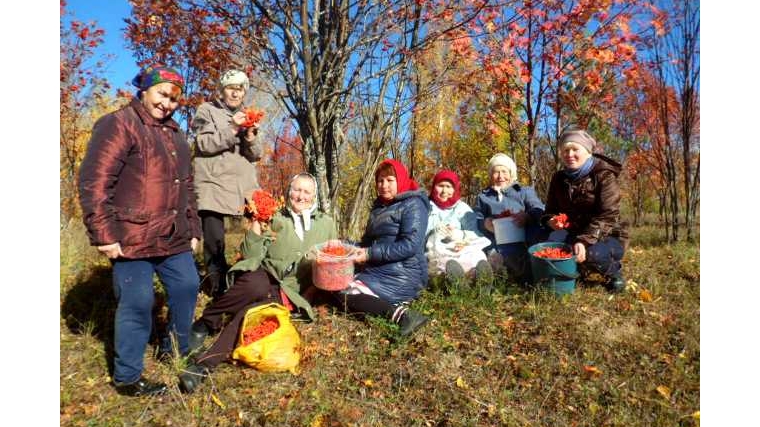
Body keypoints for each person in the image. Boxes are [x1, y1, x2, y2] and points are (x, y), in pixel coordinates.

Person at [78, 65, 201, 397]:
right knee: (137, 300)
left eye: (174, 99)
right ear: (144, 90)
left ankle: (175, 348)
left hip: (173, 233)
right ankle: (128, 377)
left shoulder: (176, 134)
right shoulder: (118, 124)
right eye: (162, 94)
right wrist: (104, 233)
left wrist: (194, 229)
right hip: (131, 234)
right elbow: (96, 182)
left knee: (188, 285)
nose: (167, 104)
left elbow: (187, 187)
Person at [178, 173, 337, 394]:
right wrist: (256, 223)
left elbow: (330, 262)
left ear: (315, 196)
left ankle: (202, 366)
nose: (301, 196)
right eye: (296, 190)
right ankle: (206, 322)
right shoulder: (275, 217)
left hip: (291, 293)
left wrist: (311, 292)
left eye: (307, 191)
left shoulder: (326, 224)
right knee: (256, 284)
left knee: (248, 314)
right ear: (289, 192)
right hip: (265, 276)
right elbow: (250, 255)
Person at [331, 159, 430, 336]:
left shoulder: (414, 204)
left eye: (390, 180)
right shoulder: (378, 207)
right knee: (334, 285)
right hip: (379, 267)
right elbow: (366, 244)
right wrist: (344, 244)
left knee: (345, 294)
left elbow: (410, 245)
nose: (384, 185)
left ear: (400, 180)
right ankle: (384, 303)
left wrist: (369, 254)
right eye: (380, 181)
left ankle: (402, 316)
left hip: (403, 272)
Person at [192, 69, 263, 298]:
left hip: (243, 186)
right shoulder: (207, 111)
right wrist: (232, 128)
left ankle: (253, 278)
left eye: (240, 89)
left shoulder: (247, 115)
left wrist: (251, 137)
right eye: (231, 88)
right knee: (214, 241)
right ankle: (217, 289)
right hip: (213, 184)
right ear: (222, 90)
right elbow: (204, 144)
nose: (235, 93)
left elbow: (256, 155)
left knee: (261, 230)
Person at [541, 128, 628, 292]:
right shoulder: (558, 178)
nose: (570, 154)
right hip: (573, 232)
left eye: (575, 149)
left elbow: (608, 215)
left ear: (588, 152)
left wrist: (584, 240)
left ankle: (614, 272)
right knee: (546, 248)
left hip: (607, 234)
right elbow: (550, 210)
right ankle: (579, 269)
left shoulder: (603, 175)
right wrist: (550, 220)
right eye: (565, 150)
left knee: (592, 254)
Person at [474, 153, 546, 283]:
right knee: (493, 255)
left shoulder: (524, 191)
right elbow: (476, 220)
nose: (500, 176)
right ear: (491, 175)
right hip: (496, 242)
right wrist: (485, 223)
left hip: (523, 240)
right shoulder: (483, 197)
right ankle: (494, 273)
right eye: (496, 172)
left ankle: (515, 273)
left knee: (525, 254)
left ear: (511, 173)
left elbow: (539, 209)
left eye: (504, 171)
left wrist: (527, 216)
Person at [425, 170, 493, 291]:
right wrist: (434, 230)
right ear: (434, 186)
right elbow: (419, 234)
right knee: (443, 263)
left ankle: (480, 279)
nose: (444, 191)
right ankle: (456, 282)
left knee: (477, 255)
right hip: (437, 249)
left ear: (455, 189)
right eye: (440, 186)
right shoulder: (426, 207)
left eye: (449, 187)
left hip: (461, 247)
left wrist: (458, 235)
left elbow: (474, 232)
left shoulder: (462, 208)